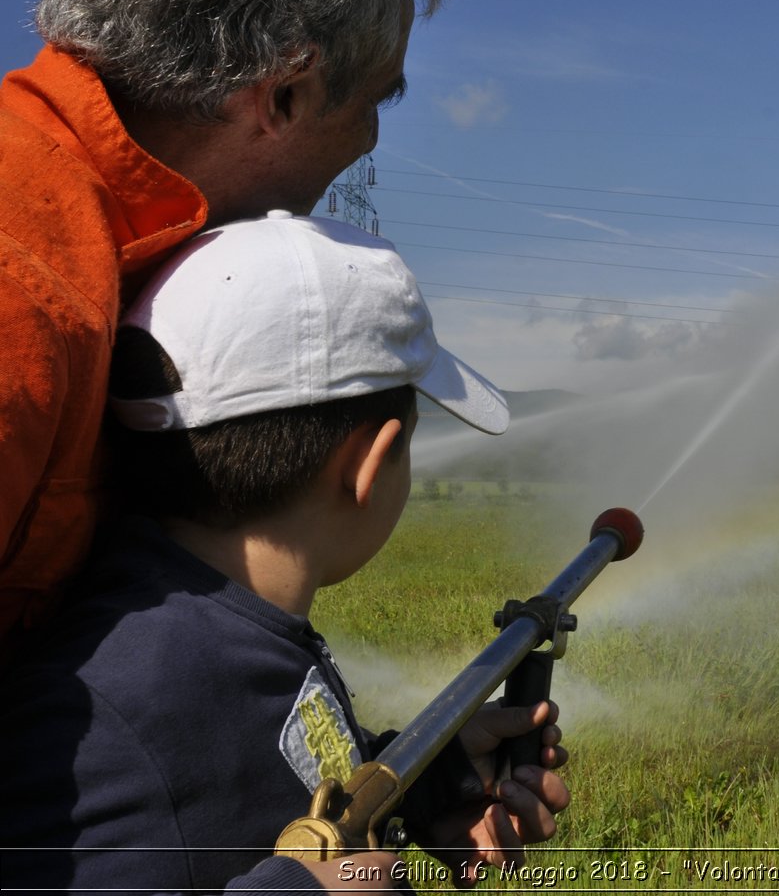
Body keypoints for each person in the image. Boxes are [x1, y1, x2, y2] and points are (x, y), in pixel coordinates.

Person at [0, 212, 566, 893]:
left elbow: (260, 773)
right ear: (371, 463)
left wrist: (421, 779)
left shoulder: (227, 624)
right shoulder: (108, 713)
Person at [0, 0, 449, 658]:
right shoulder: (21, 290)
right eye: (374, 101)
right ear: (283, 93)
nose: (369, 141)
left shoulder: (102, 239)